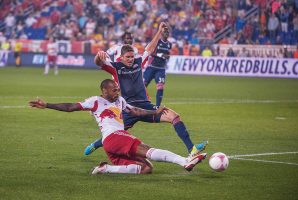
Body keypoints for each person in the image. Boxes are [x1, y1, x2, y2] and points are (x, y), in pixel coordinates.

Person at [29, 79, 207, 174]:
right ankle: (185, 162)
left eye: (117, 88)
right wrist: (46, 105)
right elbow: (70, 107)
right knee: (147, 149)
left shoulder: (120, 100)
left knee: (146, 168)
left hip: (112, 143)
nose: (117, 91)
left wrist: (155, 113)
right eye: (114, 89)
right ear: (104, 91)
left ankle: (106, 169)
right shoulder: (96, 101)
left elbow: (135, 111)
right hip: (114, 137)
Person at [85, 22, 208, 160]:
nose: (131, 59)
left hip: (146, 106)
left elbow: (149, 48)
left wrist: (159, 32)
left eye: (132, 57)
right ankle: (96, 144)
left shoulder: (138, 62)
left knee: (174, 116)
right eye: (128, 57)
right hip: (128, 109)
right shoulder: (115, 67)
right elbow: (98, 63)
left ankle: (192, 149)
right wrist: (98, 55)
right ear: (121, 57)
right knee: (113, 134)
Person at [143, 25, 172, 107]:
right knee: (143, 85)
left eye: (167, 31)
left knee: (160, 87)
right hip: (151, 67)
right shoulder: (157, 42)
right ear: (161, 33)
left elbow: (167, 55)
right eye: (164, 31)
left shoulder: (169, 44)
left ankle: (158, 107)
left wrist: (167, 56)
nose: (166, 33)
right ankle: (140, 102)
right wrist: (160, 55)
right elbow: (151, 52)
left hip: (161, 69)